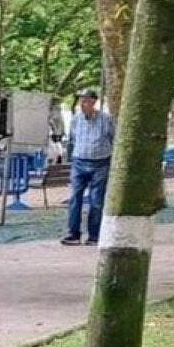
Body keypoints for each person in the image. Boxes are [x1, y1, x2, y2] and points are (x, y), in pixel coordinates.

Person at [61, 88, 114, 247]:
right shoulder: (76, 120)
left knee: (96, 200)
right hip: (79, 162)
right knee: (74, 198)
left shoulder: (106, 119)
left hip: (100, 163)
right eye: (81, 101)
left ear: (93, 102)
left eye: (86, 101)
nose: (83, 104)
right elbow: (73, 139)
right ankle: (73, 233)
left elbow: (113, 138)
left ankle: (94, 235)